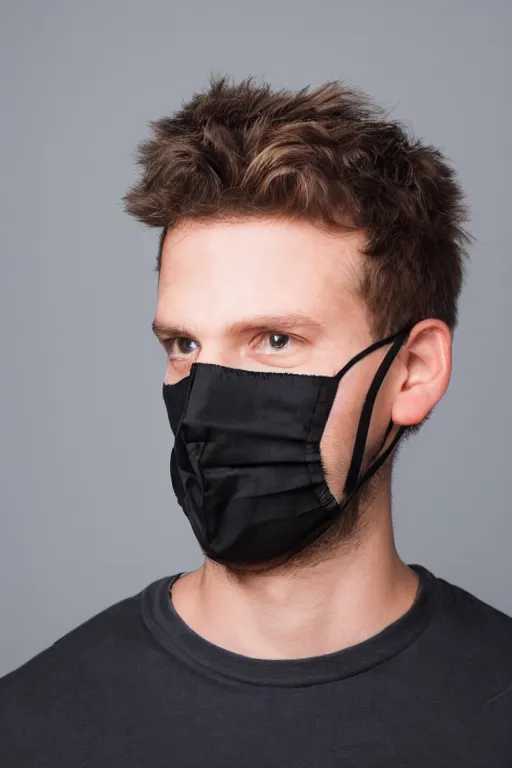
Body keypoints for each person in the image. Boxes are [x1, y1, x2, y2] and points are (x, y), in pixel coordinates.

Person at [1, 74, 511, 767]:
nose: (205, 401)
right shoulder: (29, 727)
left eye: (274, 340)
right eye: (184, 346)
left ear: (414, 370)